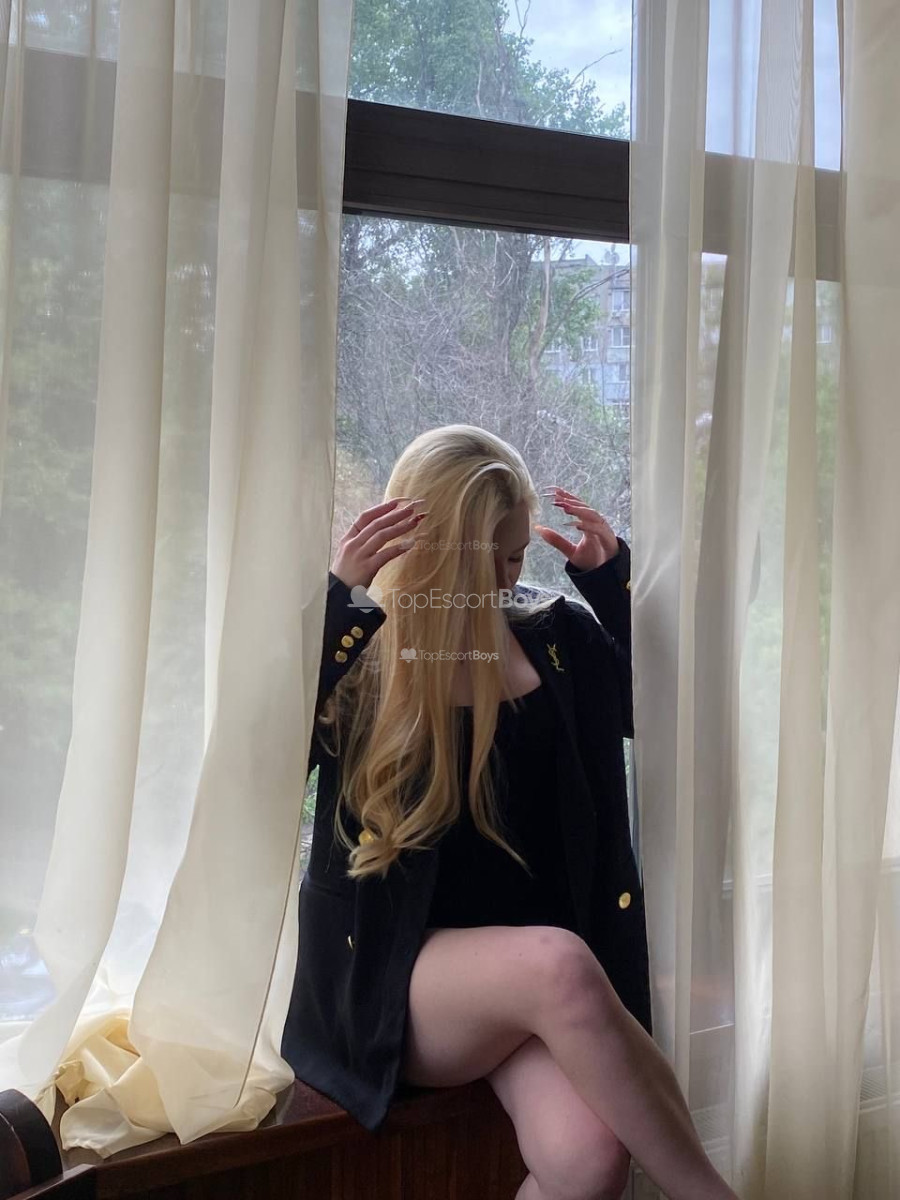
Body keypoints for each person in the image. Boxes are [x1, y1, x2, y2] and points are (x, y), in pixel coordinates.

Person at [281, 425, 738, 1200]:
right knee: (558, 962)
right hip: (400, 984)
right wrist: (337, 605)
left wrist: (611, 582)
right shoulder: (369, 660)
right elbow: (262, 771)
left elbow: (658, 713)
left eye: (517, 555)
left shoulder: (556, 637)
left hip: (532, 990)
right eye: (488, 559)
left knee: (589, 1160)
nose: (505, 579)